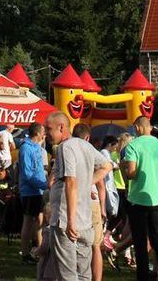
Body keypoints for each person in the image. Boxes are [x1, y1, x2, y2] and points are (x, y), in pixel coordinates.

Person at [45, 113, 112, 281]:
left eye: (49, 129)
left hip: (67, 222)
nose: (46, 133)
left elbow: (71, 182)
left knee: (67, 275)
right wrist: (87, 183)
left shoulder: (65, 148)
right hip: (85, 222)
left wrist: (70, 221)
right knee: (84, 274)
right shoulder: (85, 145)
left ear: (62, 127)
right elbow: (106, 166)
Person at [122, 116, 158, 281]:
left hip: (137, 199)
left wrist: (123, 168)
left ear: (137, 128)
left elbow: (132, 172)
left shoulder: (133, 146)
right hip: (155, 199)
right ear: (149, 127)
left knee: (140, 241)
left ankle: (143, 275)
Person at [18, 122, 47, 263]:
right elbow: (27, 174)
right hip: (30, 191)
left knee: (40, 220)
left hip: (38, 190)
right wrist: (44, 184)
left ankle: (39, 250)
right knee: (28, 221)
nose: (45, 134)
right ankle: (25, 253)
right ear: (37, 133)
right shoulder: (26, 149)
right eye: (43, 132)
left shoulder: (37, 148)